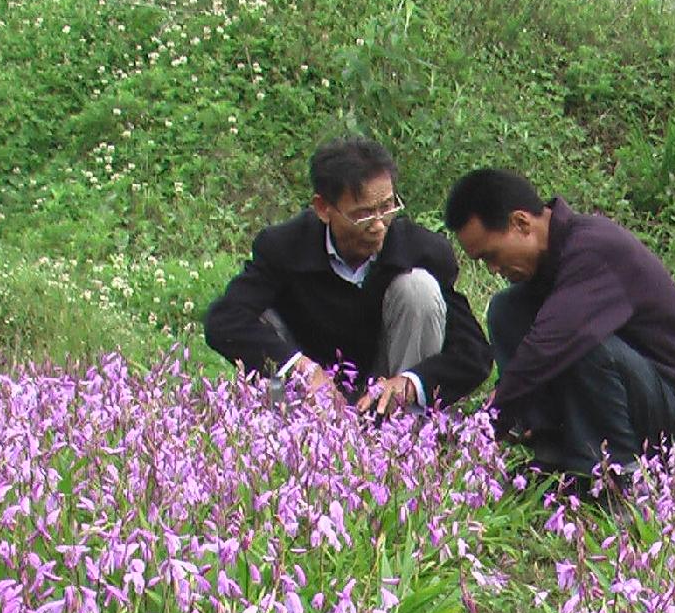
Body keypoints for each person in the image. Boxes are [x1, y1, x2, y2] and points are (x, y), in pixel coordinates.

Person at [443, 168, 675, 491]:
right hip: (624, 391)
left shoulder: (594, 250)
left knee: (584, 344)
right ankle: (553, 450)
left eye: (492, 256)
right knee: (506, 309)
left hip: (671, 412)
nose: (493, 269)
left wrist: (486, 424)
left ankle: (617, 478)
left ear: (522, 223)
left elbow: (546, 347)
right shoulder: (549, 257)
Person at [205, 137, 491, 415]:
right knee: (262, 315)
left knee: (419, 289)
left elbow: (472, 353)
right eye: (364, 214)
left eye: (387, 208)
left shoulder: (423, 250)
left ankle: (406, 437)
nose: (379, 225)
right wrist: (300, 368)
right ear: (323, 208)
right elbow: (224, 320)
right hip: (311, 395)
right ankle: (282, 432)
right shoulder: (285, 247)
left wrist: (411, 383)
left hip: (385, 385)